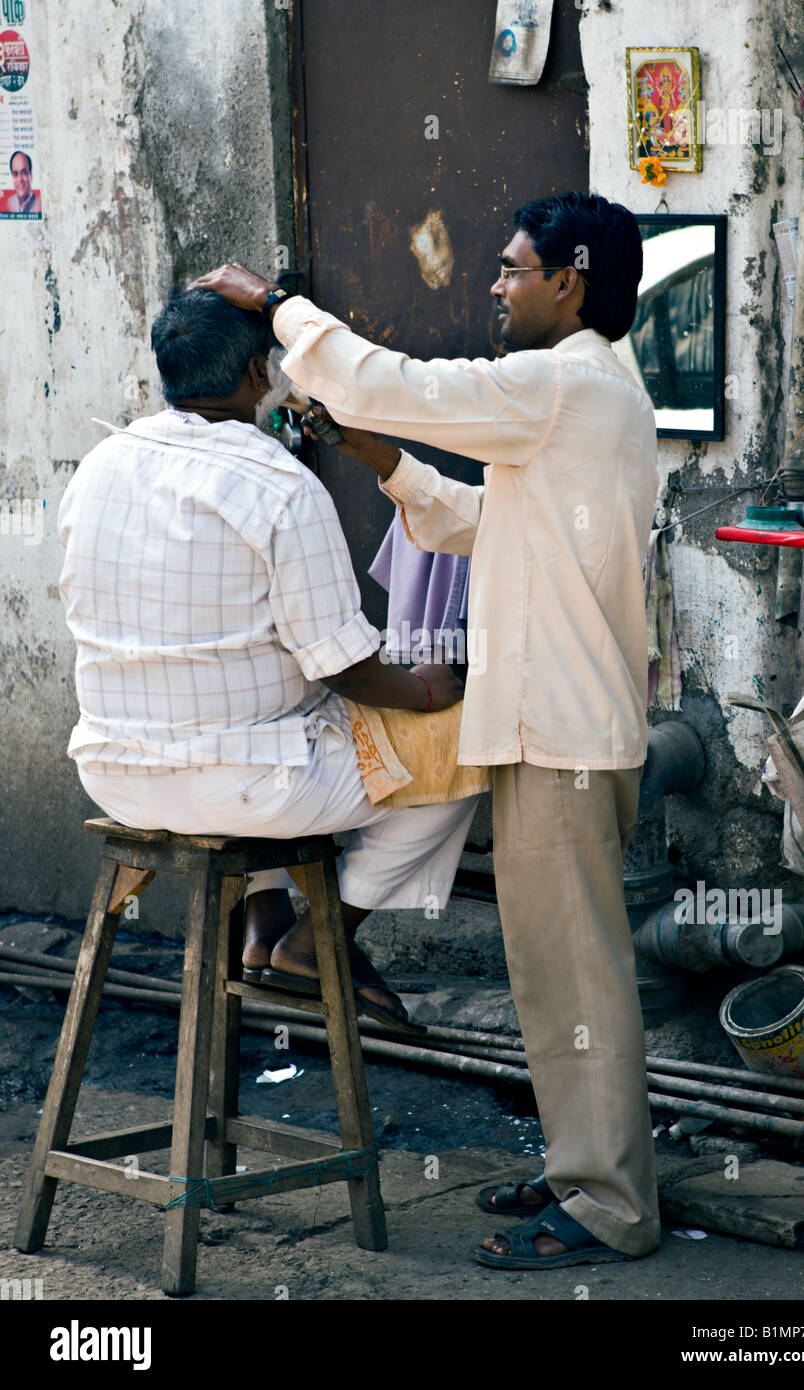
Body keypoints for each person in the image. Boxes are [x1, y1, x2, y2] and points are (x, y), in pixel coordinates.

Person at [194, 188, 662, 1269]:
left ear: (569, 278)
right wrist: (367, 453)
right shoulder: (583, 399)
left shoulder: (560, 384)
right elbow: (476, 521)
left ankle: (609, 1205)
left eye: (509, 269)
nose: (494, 288)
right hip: (552, 726)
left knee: (577, 977)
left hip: (562, 733)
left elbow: (392, 381)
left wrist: (280, 308)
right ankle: (581, 1165)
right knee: (550, 974)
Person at [57, 288, 479, 1031]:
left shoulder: (99, 465)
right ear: (260, 373)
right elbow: (343, 667)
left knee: (268, 708)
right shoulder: (279, 485)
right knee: (473, 744)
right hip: (248, 787)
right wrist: (424, 689)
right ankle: (320, 941)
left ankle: (261, 922)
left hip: (115, 775)